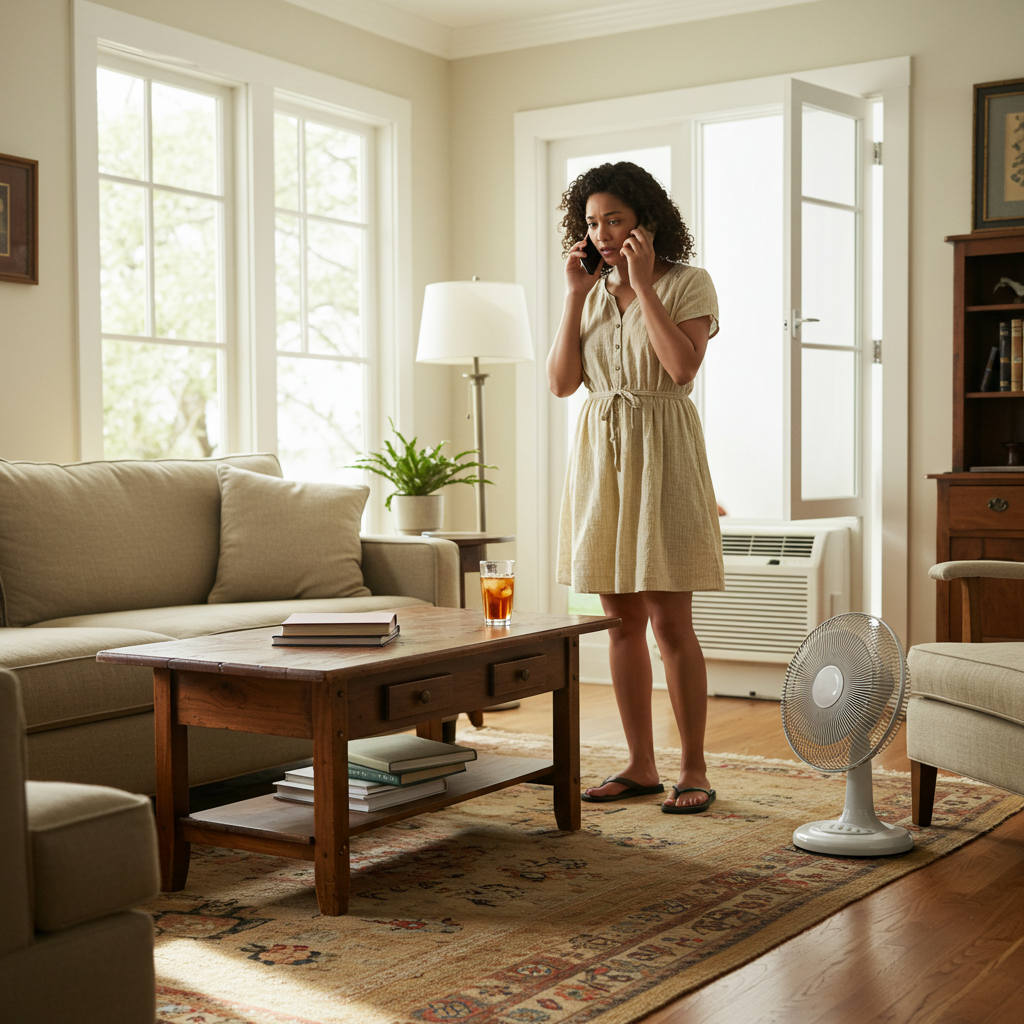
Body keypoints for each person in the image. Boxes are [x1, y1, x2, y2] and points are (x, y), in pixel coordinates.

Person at [546, 161, 725, 814]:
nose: (601, 234)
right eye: (591, 223)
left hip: (663, 453)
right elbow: (563, 384)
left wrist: (643, 286)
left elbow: (680, 370)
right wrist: (572, 296)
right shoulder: (587, 294)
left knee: (670, 623)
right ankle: (640, 765)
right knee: (619, 622)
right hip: (601, 456)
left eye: (613, 220)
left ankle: (695, 768)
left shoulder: (686, 283)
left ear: (645, 221)